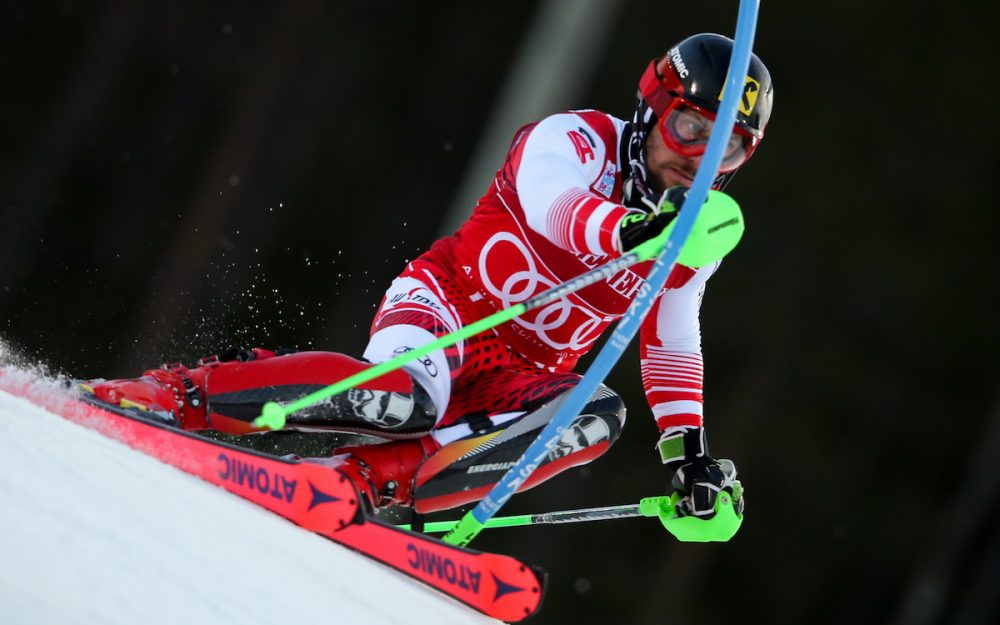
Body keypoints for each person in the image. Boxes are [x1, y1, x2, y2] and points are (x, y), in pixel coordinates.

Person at [86, 33, 773, 520]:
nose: (701, 159)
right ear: (655, 107)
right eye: (691, 127)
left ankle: (357, 483)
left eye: (730, 146)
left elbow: (672, 336)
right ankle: (180, 395)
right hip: (450, 309)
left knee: (595, 414)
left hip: (520, 375)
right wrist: (629, 231)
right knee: (405, 399)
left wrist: (687, 452)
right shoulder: (575, 140)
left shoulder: (698, 232)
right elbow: (554, 206)